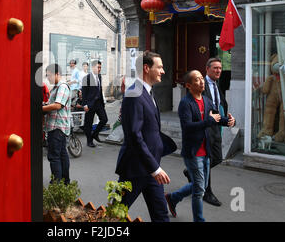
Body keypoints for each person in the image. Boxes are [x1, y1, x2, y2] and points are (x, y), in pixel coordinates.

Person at [115, 51, 177, 222]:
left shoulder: (147, 91)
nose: (163, 71)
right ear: (146, 68)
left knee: (161, 215)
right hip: (135, 169)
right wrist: (155, 168)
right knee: (116, 213)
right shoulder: (134, 93)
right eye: (160, 67)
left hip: (151, 168)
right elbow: (134, 135)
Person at [165, 70, 232, 222]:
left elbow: (216, 117)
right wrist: (209, 121)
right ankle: (199, 220)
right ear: (189, 85)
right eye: (197, 80)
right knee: (199, 190)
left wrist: (227, 121)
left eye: (202, 78)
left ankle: (172, 198)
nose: (202, 82)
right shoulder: (185, 103)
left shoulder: (207, 101)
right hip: (193, 152)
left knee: (198, 185)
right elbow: (187, 126)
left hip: (206, 149)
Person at [182, 58, 236, 206]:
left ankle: (191, 172)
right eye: (215, 68)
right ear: (207, 69)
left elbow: (219, 106)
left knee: (217, 158)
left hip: (216, 126)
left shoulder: (217, 84)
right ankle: (207, 192)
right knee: (207, 159)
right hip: (204, 128)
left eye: (220, 68)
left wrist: (229, 120)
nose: (218, 70)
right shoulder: (200, 84)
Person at [42, 64, 72, 184]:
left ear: (57, 74)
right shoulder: (56, 87)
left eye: (49, 75)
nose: (48, 78)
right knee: (62, 155)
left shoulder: (62, 86)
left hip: (57, 127)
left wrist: (41, 109)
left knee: (54, 157)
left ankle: (57, 184)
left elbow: (57, 105)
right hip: (58, 127)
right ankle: (65, 182)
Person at [82, 60, 108, 147]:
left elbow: (99, 90)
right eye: (98, 67)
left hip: (99, 103)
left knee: (104, 119)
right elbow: (84, 92)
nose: (99, 69)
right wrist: (85, 105)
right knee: (88, 123)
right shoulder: (86, 78)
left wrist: (102, 101)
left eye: (100, 67)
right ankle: (89, 141)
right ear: (93, 67)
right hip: (90, 104)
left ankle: (95, 134)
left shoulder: (99, 76)